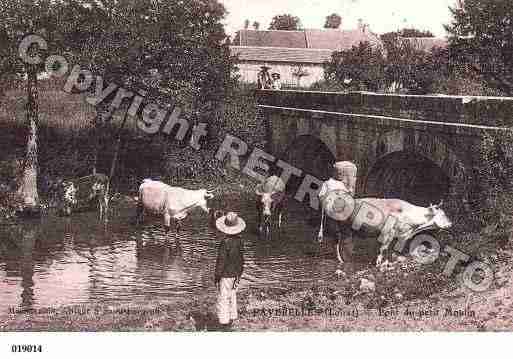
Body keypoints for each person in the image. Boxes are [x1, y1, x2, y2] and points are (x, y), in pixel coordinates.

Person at [318, 161, 358, 263]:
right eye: (339, 172)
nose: (341, 174)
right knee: (334, 233)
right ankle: (336, 254)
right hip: (332, 212)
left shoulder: (342, 184)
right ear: (335, 173)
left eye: (342, 173)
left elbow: (349, 196)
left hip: (343, 212)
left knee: (344, 233)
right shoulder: (327, 183)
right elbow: (321, 196)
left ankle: (345, 253)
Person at [214, 211, 245, 330]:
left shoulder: (224, 243)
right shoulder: (240, 241)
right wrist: (239, 274)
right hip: (236, 273)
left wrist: (216, 277)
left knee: (223, 297)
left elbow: (220, 262)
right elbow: (242, 260)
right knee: (232, 295)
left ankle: (224, 322)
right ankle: (232, 317)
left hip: (226, 274)